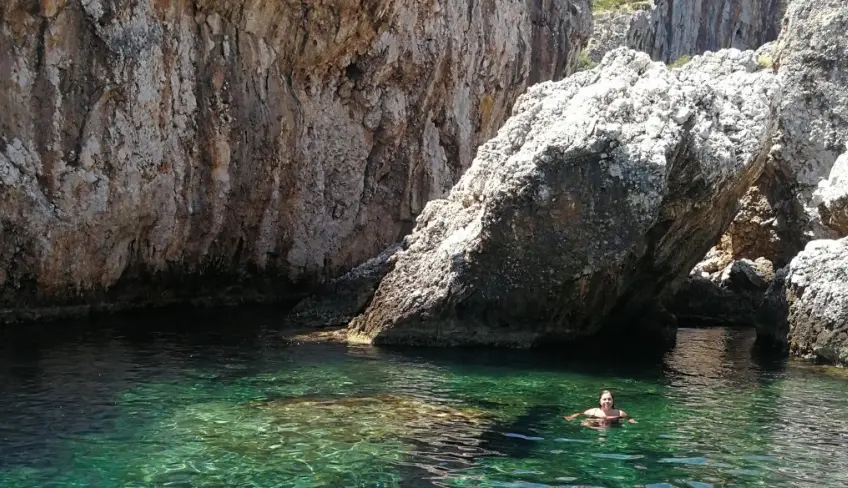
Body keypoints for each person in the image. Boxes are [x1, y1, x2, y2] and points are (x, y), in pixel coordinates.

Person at [564, 390, 637, 424]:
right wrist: (571, 417)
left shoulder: (619, 413)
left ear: (613, 401)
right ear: (600, 401)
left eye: (609, 399)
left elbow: (629, 417)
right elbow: (580, 414)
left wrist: (631, 420)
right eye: (604, 399)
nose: (607, 401)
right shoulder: (593, 411)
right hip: (595, 427)